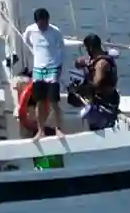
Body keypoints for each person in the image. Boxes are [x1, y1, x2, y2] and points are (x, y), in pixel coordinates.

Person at [18, 7, 68, 136]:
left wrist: (59, 67)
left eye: (45, 22)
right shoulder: (30, 30)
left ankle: (58, 129)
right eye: (40, 23)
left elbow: (61, 50)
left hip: (52, 69)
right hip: (38, 71)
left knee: (54, 101)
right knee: (39, 102)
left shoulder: (55, 32)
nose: (43, 25)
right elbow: (26, 41)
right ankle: (40, 130)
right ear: (36, 22)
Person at [70, 33, 120, 131]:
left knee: (99, 128)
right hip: (100, 99)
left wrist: (80, 89)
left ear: (91, 47)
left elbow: (96, 83)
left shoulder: (102, 64)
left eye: (87, 48)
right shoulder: (95, 59)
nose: (87, 51)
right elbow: (77, 63)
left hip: (105, 101)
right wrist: (83, 62)